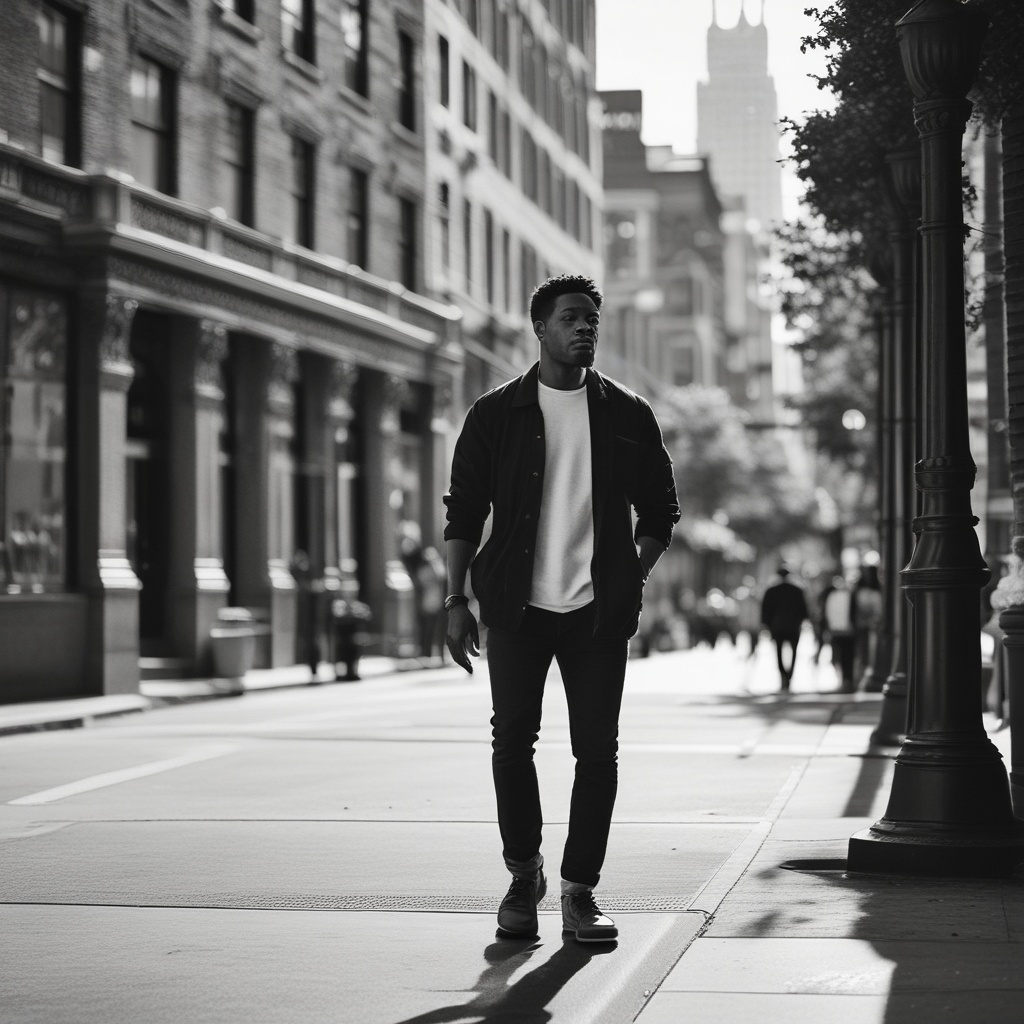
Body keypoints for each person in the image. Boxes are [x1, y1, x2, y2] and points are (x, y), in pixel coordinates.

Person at [443, 274, 680, 944]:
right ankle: (524, 874)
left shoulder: (627, 413)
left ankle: (580, 891)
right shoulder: (494, 414)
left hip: (596, 613)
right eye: (571, 319)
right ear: (540, 328)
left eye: (592, 322)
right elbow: (463, 510)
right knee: (511, 742)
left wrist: (627, 576)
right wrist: (456, 598)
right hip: (515, 607)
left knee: (596, 752)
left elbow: (661, 508)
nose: (585, 330)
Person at [759, 564, 809, 691]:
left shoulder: (771, 591)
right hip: (793, 626)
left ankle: (783, 675)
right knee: (794, 651)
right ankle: (789, 675)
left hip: (777, 626)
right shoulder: (797, 590)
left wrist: (766, 625)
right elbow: (804, 610)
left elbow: (765, 611)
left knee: (779, 651)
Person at [823, 574, 857, 692]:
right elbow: (828, 613)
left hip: (847, 631)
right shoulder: (832, 596)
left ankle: (847, 680)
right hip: (837, 631)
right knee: (838, 656)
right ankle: (843, 679)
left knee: (847, 656)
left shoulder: (850, 595)